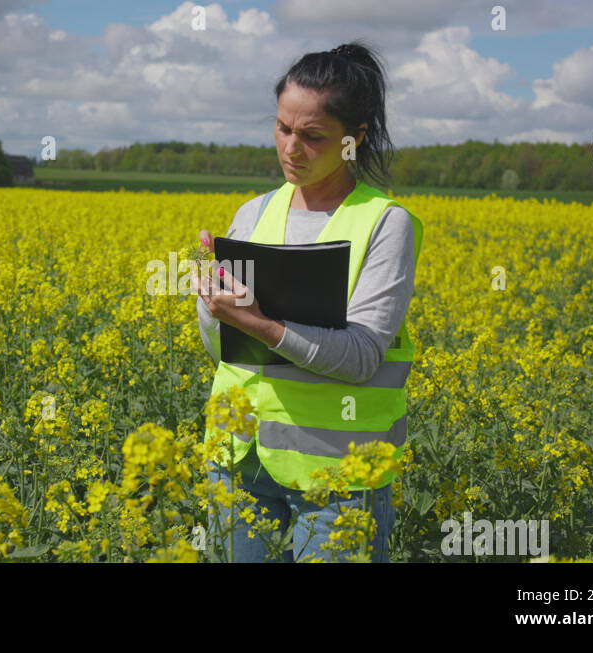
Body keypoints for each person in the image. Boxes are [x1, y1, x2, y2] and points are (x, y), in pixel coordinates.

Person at [192, 41, 424, 563]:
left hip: (339, 469)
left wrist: (263, 324)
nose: (291, 149)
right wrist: (213, 305)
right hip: (239, 455)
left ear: (354, 140)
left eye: (313, 136)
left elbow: (363, 357)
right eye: (282, 128)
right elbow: (226, 352)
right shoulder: (253, 213)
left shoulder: (385, 224)